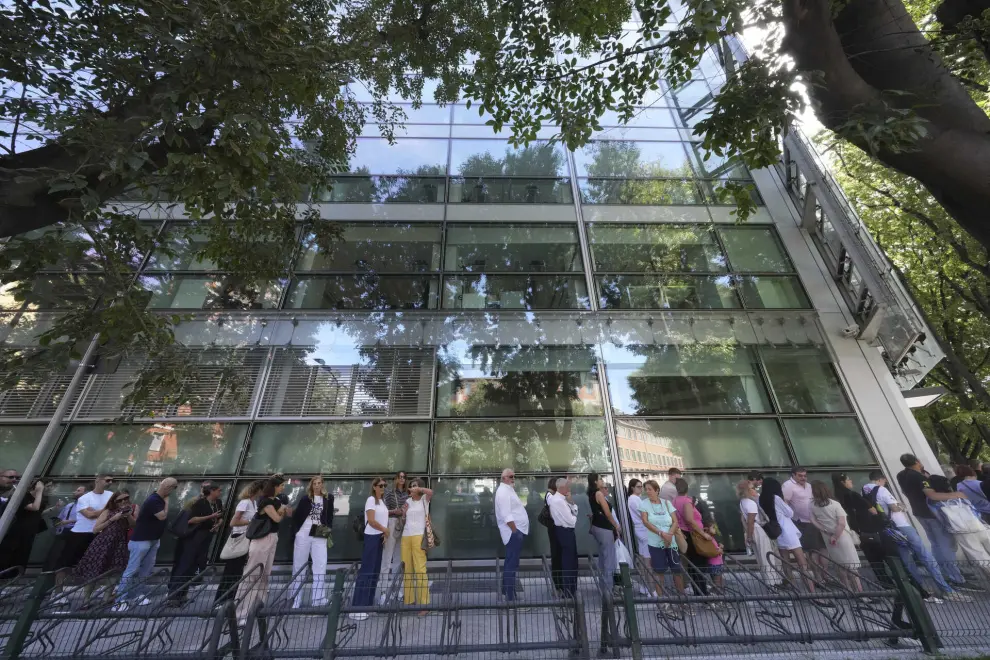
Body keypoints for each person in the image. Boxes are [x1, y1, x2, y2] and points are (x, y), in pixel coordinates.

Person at [863, 470, 958, 601]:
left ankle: (918, 589)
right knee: (925, 554)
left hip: (889, 528)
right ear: (881, 479)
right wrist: (902, 507)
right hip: (901, 525)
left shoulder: (865, 489)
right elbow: (895, 508)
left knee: (906, 558)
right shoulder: (882, 490)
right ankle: (946, 589)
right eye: (885, 481)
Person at [896, 454, 970, 592]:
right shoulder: (920, 477)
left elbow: (905, 492)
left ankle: (944, 572)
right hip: (932, 513)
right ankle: (956, 577)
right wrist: (955, 495)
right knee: (945, 544)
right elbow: (932, 495)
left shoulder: (901, 476)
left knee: (935, 544)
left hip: (919, 512)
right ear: (917, 461)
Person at [113, 477, 178, 611]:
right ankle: (120, 600)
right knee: (132, 570)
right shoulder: (154, 500)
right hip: (141, 540)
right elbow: (162, 516)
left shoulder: (157, 499)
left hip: (153, 539)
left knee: (145, 570)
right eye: (173, 488)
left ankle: (137, 595)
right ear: (168, 487)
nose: (172, 492)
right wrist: (167, 501)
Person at [51, 475, 114, 605]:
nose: (110, 483)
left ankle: (93, 593)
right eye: (107, 480)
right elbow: (89, 515)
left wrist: (99, 512)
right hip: (79, 534)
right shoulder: (85, 498)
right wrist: (105, 510)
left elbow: (113, 511)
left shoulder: (111, 495)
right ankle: (57, 593)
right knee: (65, 564)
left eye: (112, 480)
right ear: (98, 480)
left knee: (99, 563)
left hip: (100, 533)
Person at [236, 476, 288, 624]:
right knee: (252, 573)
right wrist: (282, 510)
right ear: (275, 486)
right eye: (281, 485)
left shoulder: (276, 501)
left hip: (272, 536)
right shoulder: (266, 501)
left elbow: (279, 518)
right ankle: (242, 613)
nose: (283, 488)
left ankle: (258, 607)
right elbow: (277, 518)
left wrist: (282, 510)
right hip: (262, 539)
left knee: (265, 574)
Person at [73, 490, 135, 608]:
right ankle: (86, 600)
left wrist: (128, 516)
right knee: (94, 571)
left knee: (114, 572)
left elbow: (133, 525)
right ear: (114, 501)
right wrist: (113, 519)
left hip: (119, 544)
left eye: (126, 498)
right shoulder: (108, 511)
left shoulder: (127, 512)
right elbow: (96, 529)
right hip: (103, 543)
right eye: (119, 500)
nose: (123, 502)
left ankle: (106, 598)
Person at [167, 483, 223, 607]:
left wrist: (217, 523)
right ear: (211, 491)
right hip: (194, 536)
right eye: (219, 490)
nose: (221, 492)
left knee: (194, 565)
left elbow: (220, 516)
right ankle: (173, 595)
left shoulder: (217, 502)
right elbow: (191, 520)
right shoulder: (198, 503)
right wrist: (210, 517)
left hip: (207, 535)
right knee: (185, 564)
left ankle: (183, 594)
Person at [215, 479, 264, 607]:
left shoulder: (254, 503)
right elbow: (233, 522)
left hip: (247, 538)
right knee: (232, 570)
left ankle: (231, 599)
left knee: (238, 571)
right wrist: (250, 523)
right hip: (239, 537)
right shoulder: (245, 503)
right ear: (257, 490)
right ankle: (221, 600)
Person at [638, 480, 685, 610]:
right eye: (645, 489)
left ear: (657, 490)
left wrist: (669, 534)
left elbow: (675, 521)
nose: (647, 492)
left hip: (671, 542)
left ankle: (682, 600)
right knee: (659, 571)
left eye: (649, 489)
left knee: (677, 570)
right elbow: (645, 522)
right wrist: (661, 533)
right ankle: (662, 600)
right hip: (655, 542)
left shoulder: (666, 503)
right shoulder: (644, 504)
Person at [760, 477, 813, 590]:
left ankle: (792, 584)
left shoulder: (762, 499)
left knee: (785, 560)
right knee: (801, 561)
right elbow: (790, 513)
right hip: (788, 531)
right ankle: (811, 589)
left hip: (777, 532)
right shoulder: (776, 498)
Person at [290, 475, 334, 609]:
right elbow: (297, 516)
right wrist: (297, 532)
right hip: (304, 532)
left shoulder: (328, 498)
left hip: (320, 531)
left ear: (323, 484)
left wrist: (328, 530)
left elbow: (330, 516)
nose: (317, 485)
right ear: (311, 485)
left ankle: (318, 599)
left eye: (319, 483)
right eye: (314, 483)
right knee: (299, 565)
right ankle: (295, 600)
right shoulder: (305, 499)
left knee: (320, 565)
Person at [810, 480, 861, 591]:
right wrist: (835, 536)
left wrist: (825, 530)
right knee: (852, 565)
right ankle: (860, 593)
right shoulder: (834, 504)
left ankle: (848, 590)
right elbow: (842, 523)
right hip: (842, 536)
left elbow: (813, 520)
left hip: (827, 537)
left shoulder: (812, 505)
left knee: (839, 564)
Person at [351, 477, 389, 620]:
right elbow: (372, 521)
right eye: (380, 485)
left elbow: (383, 519)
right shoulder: (371, 500)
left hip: (379, 537)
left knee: (374, 571)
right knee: (366, 570)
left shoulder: (382, 502)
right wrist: (385, 530)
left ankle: (368, 604)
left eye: (384, 485)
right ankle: (357, 607)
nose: (382, 488)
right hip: (372, 536)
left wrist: (384, 533)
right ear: (374, 487)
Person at [782, 467, 826, 576]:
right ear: (793, 475)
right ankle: (817, 577)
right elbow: (784, 504)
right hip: (802, 522)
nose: (803, 478)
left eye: (805, 475)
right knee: (810, 551)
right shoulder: (788, 486)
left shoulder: (809, 485)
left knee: (820, 549)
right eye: (800, 475)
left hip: (815, 521)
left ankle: (824, 576)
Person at [671, 478, 711, 598]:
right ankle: (703, 594)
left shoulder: (674, 501)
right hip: (693, 535)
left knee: (692, 565)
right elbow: (690, 520)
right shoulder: (687, 501)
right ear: (687, 488)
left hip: (684, 534)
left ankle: (698, 591)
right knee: (699, 565)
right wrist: (704, 534)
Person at [736, 480, 781, 586]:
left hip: (752, 530)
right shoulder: (751, 503)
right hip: (757, 529)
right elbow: (751, 521)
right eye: (752, 488)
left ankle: (770, 582)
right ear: (748, 490)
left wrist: (748, 535)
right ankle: (773, 583)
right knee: (766, 556)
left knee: (761, 557)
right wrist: (750, 536)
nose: (754, 490)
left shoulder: (743, 502)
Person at [0, 474, 47, 572]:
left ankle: (15, 575)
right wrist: (39, 491)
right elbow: (35, 508)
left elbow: (38, 513)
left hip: (30, 532)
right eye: (48, 486)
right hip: (19, 531)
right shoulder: (24, 496)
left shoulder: (40, 499)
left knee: (23, 554)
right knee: (11, 554)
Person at [494, 468, 528, 602]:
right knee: (511, 564)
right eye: (510, 476)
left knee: (511, 562)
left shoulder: (508, 489)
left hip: (516, 531)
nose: (513, 478)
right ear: (503, 478)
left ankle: (507, 590)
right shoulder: (503, 492)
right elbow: (506, 514)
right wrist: (515, 531)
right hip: (513, 533)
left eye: (514, 476)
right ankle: (510, 596)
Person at [401, 478, 433, 613]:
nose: (411, 489)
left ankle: (424, 604)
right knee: (407, 569)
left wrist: (419, 489)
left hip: (419, 536)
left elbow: (431, 491)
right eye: (410, 486)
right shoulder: (407, 501)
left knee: (420, 569)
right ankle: (409, 600)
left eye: (414, 486)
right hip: (406, 536)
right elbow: (404, 520)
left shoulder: (424, 499)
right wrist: (403, 513)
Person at [587, 472, 622, 587]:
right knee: (609, 559)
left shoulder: (591, 494)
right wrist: (616, 525)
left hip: (597, 527)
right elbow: (607, 513)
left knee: (603, 558)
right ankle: (608, 590)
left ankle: (604, 587)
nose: (602, 481)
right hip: (604, 528)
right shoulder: (599, 494)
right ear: (595, 481)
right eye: (600, 479)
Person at [380, 471, 409, 604]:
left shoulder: (408, 493)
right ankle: (384, 591)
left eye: (404, 477)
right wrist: (394, 511)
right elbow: (383, 510)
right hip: (391, 523)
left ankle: (398, 590)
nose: (402, 479)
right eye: (400, 477)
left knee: (400, 559)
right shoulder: (389, 492)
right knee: (387, 558)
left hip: (404, 525)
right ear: (396, 479)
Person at [43, 485, 87, 573]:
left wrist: (70, 521)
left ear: (85, 494)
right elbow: (60, 518)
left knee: (68, 556)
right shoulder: (69, 505)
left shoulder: (86, 507)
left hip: (76, 533)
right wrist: (56, 522)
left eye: (78, 491)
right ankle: (50, 573)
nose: (74, 492)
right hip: (63, 533)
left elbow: (88, 519)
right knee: (55, 555)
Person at [548, 478, 579, 597]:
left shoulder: (562, 499)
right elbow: (572, 521)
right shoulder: (558, 501)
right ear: (561, 488)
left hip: (565, 531)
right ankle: (569, 591)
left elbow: (574, 512)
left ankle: (571, 589)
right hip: (565, 531)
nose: (569, 489)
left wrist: (572, 504)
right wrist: (573, 514)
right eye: (567, 486)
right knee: (569, 562)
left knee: (571, 561)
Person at [545, 477, 563, 593]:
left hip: (556, 529)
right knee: (557, 556)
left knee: (559, 556)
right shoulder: (550, 496)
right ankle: (557, 586)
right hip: (554, 529)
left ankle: (559, 585)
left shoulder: (552, 495)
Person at [626, 479, 648, 562]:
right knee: (647, 554)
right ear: (632, 488)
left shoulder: (635, 498)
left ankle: (644, 574)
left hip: (640, 527)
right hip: (642, 527)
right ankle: (648, 574)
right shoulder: (634, 499)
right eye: (638, 487)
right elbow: (642, 514)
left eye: (641, 486)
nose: (641, 488)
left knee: (642, 552)